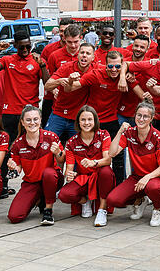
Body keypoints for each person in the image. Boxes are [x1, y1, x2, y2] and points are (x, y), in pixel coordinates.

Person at [0, 31, 49, 196]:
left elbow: (47, 84)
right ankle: (3, 185)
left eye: (29, 46)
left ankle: (36, 184)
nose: (26, 49)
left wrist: (42, 65)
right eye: (22, 47)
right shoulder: (8, 60)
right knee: (5, 149)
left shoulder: (36, 61)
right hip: (10, 111)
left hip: (30, 114)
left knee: (35, 148)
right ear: (15, 46)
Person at [67, 50, 127, 183]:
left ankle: (119, 184)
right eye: (110, 66)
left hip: (111, 120)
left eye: (117, 66)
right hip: (92, 122)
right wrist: (70, 81)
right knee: (82, 152)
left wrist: (123, 76)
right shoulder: (95, 74)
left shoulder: (125, 75)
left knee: (118, 154)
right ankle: (78, 183)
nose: (114, 69)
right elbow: (73, 87)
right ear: (105, 65)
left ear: (122, 66)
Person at [107, 102, 160, 227]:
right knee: (113, 200)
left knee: (153, 187)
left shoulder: (158, 137)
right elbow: (112, 153)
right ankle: (141, 199)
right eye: (139, 115)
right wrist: (120, 131)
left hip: (157, 177)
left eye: (145, 116)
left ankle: (157, 210)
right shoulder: (129, 133)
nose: (141, 119)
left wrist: (147, 177)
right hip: (137, 177)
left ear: (151, 118)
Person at [6, 105, 65, 225]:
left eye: (35, 119)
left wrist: (58, 153)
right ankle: (39, 198)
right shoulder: (17, 144)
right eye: (28, 120)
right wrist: (12, 167)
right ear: (22, 122)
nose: (32, 123)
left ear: (40, 120)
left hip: (52, 179)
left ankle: (48, 210)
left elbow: (62, 159)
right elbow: (18, 169)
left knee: (48, 173)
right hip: (31, 182)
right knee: (14, 217)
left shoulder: (51, 137)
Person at [58, 105, 115, 227]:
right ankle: (85, 201)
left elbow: (108, 159)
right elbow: (69, 168)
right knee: (64, 194)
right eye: (83, 120)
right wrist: (69, 175)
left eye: (90, 119)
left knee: (106, 171)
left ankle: (102, 210)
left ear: (95, 121)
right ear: (78, 122)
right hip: (83, 179)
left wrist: (93, 162)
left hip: (100, 178)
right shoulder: (72, 142)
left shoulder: (103, 135)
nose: (86, 123)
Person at [44, 42, 96, 144]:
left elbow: (113, 69)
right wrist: (60, 81)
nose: (84, 55)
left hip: (79, 118)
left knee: (80, 149)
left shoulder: (96, 69)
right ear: (78, 55)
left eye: (88, 53)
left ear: (93, 58)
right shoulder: (67, 67)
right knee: (46, 143)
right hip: (59, 114)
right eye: (82, 52)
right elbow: (47, 86)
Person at [41, 17, 73, 126]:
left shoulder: (81, 52)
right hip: (51, 98)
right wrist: (53, 89)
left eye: (66, 31)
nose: (63, 34)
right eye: (61, 31)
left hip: (72, 100)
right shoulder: (49, 50)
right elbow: (44, 72)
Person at [116, 34, 151, 124]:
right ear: (132, 46)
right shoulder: (122, 63)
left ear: (147, 49)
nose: (138, 49)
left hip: (142, 114)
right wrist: (122, 76)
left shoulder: (150, 65)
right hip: (123, 112)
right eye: (136, 46)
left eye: (142, 47)